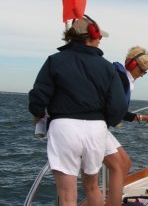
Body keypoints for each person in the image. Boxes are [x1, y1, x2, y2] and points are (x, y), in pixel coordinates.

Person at [29, 15, 128, 206]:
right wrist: (105, 121)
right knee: (92, 187)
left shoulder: (55, 61)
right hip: (96, 130)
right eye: (100, 37)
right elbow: (118, 106)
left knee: (67, 196)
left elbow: (38, 97)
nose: (101, 41)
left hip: (64, 128)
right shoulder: (108, 68)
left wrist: (37, 113)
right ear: (91, 37)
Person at [100, 46, 148, 206]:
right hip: (95, 127)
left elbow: (119, 110)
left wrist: (146, 117)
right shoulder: (121, 79)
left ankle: (112, 200)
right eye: (142, 71)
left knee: (126, 164)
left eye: (146, 72)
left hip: (102, 127)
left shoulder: (124, 79)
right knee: (118, 167)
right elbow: (115, 109)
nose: (143, 75)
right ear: (131, 65)